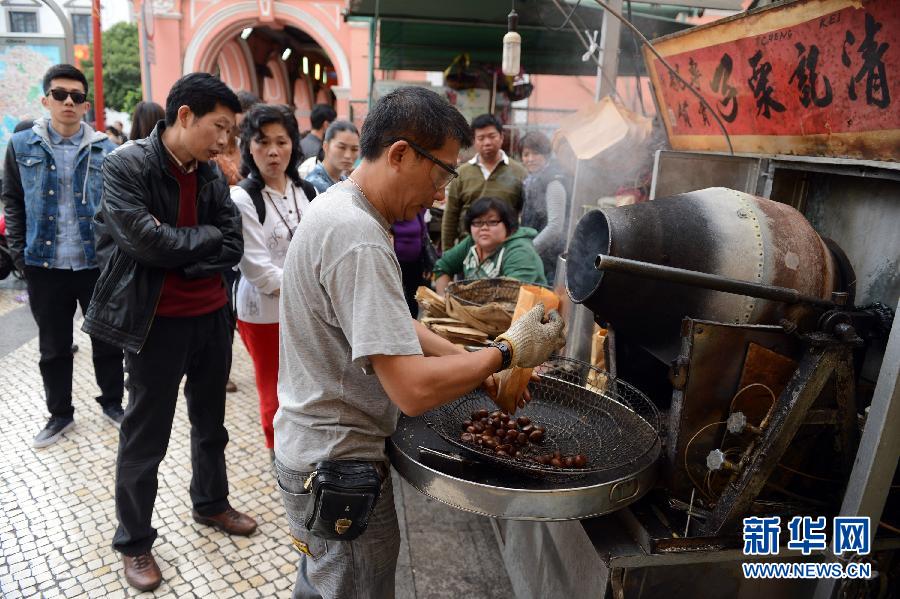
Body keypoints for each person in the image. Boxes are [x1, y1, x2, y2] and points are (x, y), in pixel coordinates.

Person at [274, 86, 565, 598]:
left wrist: (475, 362)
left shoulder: (341, 208)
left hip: (312, 452)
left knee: (320, 583)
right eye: (442, 173)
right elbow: (410, 390)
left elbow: (393, 325)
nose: (439, 195)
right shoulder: (358, 236)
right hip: (339, 464)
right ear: (401, 154)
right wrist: (506, 351)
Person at [81, 72, 256, 592]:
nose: (224, 141)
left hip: (212, 317)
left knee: (211, 424)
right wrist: (200, 241)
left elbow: (233, 244)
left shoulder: (209, 173)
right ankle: (134, 543)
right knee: (145, 436)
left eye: (230, 131)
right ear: (184, 116)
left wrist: (183, 249)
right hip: (154, 323)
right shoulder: (126, 164)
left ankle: (211, 503)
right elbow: (143, 243)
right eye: (218, 127)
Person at [1, 64, 124, 448]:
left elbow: (119, 207)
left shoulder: (106, 149)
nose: (68, 101)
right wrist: (20, 255)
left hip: (95, 264)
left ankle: (113, 402)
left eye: (76, 96)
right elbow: (12, 200)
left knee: (107, 340)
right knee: (53, 347)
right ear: (46, 100)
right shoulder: (22, 146)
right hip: (44, 264)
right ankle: (60, 414)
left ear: (86, 105)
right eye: (60, 94)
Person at [231, 104, 317, 457]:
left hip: (306, 309)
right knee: (272, 387)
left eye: (281, 141)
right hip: (264, 312)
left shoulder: (307, 191)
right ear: (248, 147)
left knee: (305, 383)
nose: (273, 151)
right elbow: (259, 271)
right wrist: (315, 288)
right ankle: (278, 454)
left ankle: (303, 448)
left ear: (293, 145)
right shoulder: (243, 197)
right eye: (262, 141)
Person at [440, 113, 527, 250]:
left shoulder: (519, 172)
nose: (487, 142)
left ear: (501, 137)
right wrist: (448, 253)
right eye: (481, 138)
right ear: (474, 141)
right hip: (468, 249)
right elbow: (451, 215)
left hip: (506, 250)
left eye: (492, 136)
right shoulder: (462, 173)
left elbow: (526, 214)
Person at [433, 196, 547, 295]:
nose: (484, 228)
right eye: (477, 222)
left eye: (492, 222)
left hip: (522, 312)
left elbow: (512, 295)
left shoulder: (520, 251)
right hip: (476, 309)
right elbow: (442, 267)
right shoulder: (473, 241)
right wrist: (444, 302)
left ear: (508, 224)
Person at [519, 131, 571, 284]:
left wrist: (530, 250)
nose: (530, 159)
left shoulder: (553, 182)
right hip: (537, 255)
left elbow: (555, 227)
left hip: (549, 259)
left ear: (546, 155)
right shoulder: (531, 180)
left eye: (536, 153)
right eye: (526, 154)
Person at [392, 209, 431, 316]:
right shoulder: (392, 214)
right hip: (396, 263)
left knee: (413, 296)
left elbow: (423, 235)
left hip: (415, 262)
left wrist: (427, 261)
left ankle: (412, 322)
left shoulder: (416, 210)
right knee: (397, 297)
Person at [304, 120, 359, 193]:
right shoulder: (314, 184)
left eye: (354, 149)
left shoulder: (345, 180)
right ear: (326, 146)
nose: (348, 155)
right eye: (342, 147)